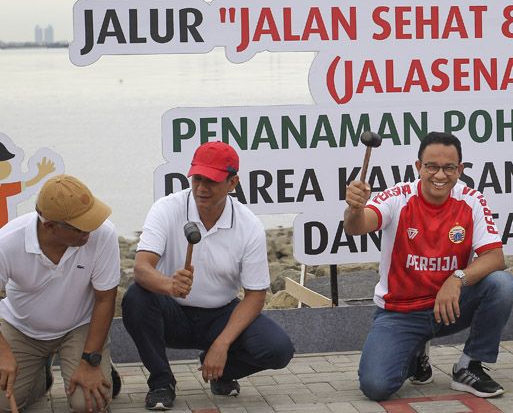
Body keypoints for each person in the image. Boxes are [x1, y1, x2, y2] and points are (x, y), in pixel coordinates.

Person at [344, 131, 513, 401]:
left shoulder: (472, 200)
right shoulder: (397, 197)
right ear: (418, 167)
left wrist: (457, 279)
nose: (440, 175)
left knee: (503, 284)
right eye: (432, 167)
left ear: (459, 169)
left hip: (448, 305)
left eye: (449, 168)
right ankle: (415, 353)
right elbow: (358, 227)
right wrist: (354, 208)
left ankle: (469, 366)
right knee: (376, 387)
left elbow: (496, 258)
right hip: (400, 313)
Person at [122, 141, 294, 411]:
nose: (201, 188)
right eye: (197, 178)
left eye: (211, 181)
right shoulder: (166, 208)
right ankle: (161, 382)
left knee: (279, 349)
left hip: (220, 315)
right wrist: (169, 285)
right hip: (172, 313)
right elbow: (142, 268)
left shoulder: (248, 225)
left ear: (232, 182)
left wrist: (222, 344)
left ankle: (221, 371)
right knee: (136, 297)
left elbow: (255, 295)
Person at [0, 175, 121, 412]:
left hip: (79, 327)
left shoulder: (103, 234)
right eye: (80, 227)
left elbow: (105, 298)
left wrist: (90, 360)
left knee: (88, 404)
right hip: (22, 329)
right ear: (50, 226)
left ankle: (101, 364)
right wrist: (3, 353)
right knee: (2, 402)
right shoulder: (7, 242)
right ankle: (40, 377)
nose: (90, 230)